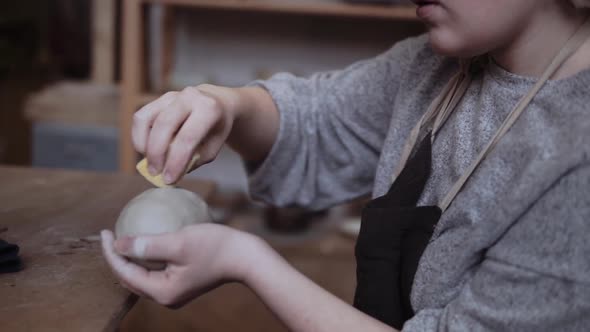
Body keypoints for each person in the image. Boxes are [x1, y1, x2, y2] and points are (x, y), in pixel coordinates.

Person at [101, 0, 590, 330]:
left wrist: (246, 262)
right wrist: (227, 107)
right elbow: (319, 123)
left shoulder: (576, 159)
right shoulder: (438, 67)